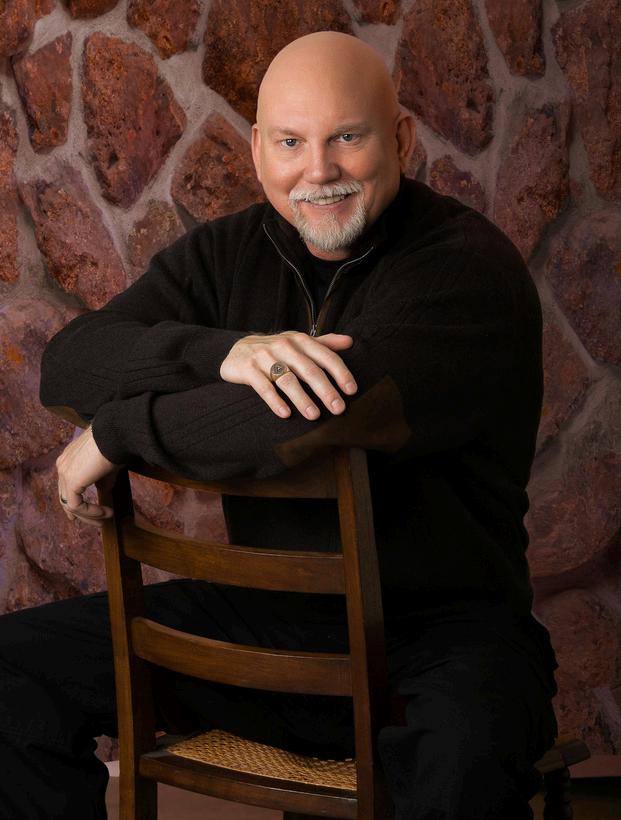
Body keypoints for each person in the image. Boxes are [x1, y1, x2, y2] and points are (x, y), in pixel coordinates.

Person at [1, 31, 559, 820]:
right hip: (264, 632)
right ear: (258, 149)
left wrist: (117, 432)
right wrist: (226, 352)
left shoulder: (466, 270)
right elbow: (71, 362)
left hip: (439, 643)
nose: (318, 171)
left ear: (400, 139)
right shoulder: (225, 254)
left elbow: (309, 420)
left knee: (458, 763)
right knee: (10, 673)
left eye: (347, 138)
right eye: (292, 142)